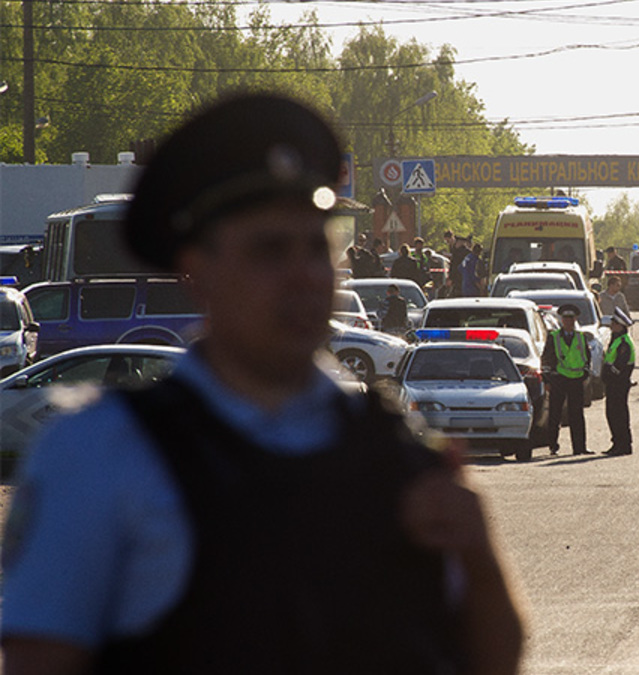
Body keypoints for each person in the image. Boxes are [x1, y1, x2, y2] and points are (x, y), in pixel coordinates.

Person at [0, 94, 525, 675]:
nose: (304, 276)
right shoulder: (100, 455)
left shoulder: (397, 454)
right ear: (198, 272)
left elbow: (490, 659)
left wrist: (478, 557)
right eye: (269, 250)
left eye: (318, 248)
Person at [541, 303, 591, 456]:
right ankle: (553, 446)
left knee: (577, 415)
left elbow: (587, 358)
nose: (568, 321)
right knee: (555, 415)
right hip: (559, 379)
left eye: (571, 318)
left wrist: (584, 374)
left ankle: (580, 448)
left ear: (575, 319)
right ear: (562, 320)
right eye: (565, 318)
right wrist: (548, 379)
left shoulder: (581, 337)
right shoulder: (554, 337)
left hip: (576, 380)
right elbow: (546, 359)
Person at [602, 307, 635, 456]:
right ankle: (616, 443)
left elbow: (619, 366)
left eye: (614, 323)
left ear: (620, 325)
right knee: (612, 414)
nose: (611, 326)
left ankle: (623, 444)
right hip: (613, 384)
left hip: (618, 384)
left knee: (619, 415)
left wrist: (609, 373)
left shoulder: (624, 342)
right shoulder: (616, 339)